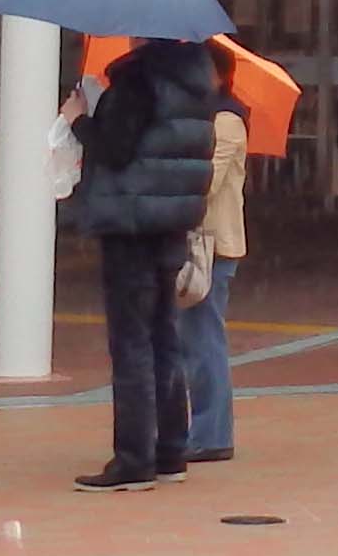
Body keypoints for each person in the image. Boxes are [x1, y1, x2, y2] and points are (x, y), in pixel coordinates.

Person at [57, 33, 227, 491]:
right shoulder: (197, 84)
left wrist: (79, 119)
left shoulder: (138, 80)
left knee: (131, 342)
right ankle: (170, 451)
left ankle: (134, 459)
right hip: (170, 225)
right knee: (163, 336)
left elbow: (115, 148)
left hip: (130, 223)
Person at [179, 80, 250, 466]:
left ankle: (212, 435)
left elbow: (206, 182)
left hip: (212, 245)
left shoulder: (225, 121)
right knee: (193, 339)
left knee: (204, 340)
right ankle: (202, 432)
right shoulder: (205, 118)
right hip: (197, 243)